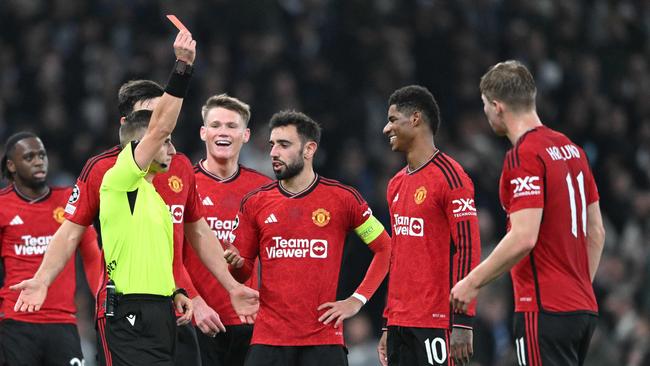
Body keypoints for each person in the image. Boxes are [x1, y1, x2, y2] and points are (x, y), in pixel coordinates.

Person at [12, 31, 259, 366]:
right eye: (156, 120)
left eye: (165, 119)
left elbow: (194, 235)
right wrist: (183, 67)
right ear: (130, 127)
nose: (164, 126)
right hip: (126, 307)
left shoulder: (172, 176)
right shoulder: (110, 173)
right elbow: (70, 232)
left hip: (171, 303)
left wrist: (202, 290)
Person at [450, 60, 606, 366]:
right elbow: (596, 232)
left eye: (484, 105)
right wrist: (576, 289)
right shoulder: (573, 150)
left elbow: (523, 237)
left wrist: (471, 282)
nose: (485, 113)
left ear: (497, 107)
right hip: (581, 310)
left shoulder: (524, 154)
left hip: (543, 309)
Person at [225, 110, 392, 366]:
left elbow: (385, 248)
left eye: (284, 144)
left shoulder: (344, 199)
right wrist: (236, 265)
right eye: (272, 145)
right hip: (269, 340)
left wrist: (357, 300)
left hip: (323, 341)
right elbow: (242, 271)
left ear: (309, 149)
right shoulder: (255, 203)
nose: (273, 153)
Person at [376, 85, 481, 366]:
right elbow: (398, 256)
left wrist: (463, 322)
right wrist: (388, 321)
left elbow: (468, 249)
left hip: (436, 321)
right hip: (399, 322)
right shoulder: (396, 183)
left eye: (392, 119)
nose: (386, 128)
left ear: (415, 119)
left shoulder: (451, 177)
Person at [183, 94, 271, 366]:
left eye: (232, 126)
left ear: (245, 135)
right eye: (216, 125)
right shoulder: (183, 184)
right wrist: (195, 302)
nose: (223, 132)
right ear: (203, 132)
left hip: (249, 323)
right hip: (197, 319)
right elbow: (167, 254)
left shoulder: (263, 189)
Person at [0, 132, 101, 365]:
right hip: (17, 322)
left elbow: (92, 255)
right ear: (11, 165)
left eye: (42, 155)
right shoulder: (3, 206)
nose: (38, 161)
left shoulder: (69, 200)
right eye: (29, 157)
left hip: (63, 321)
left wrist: (101, 299)